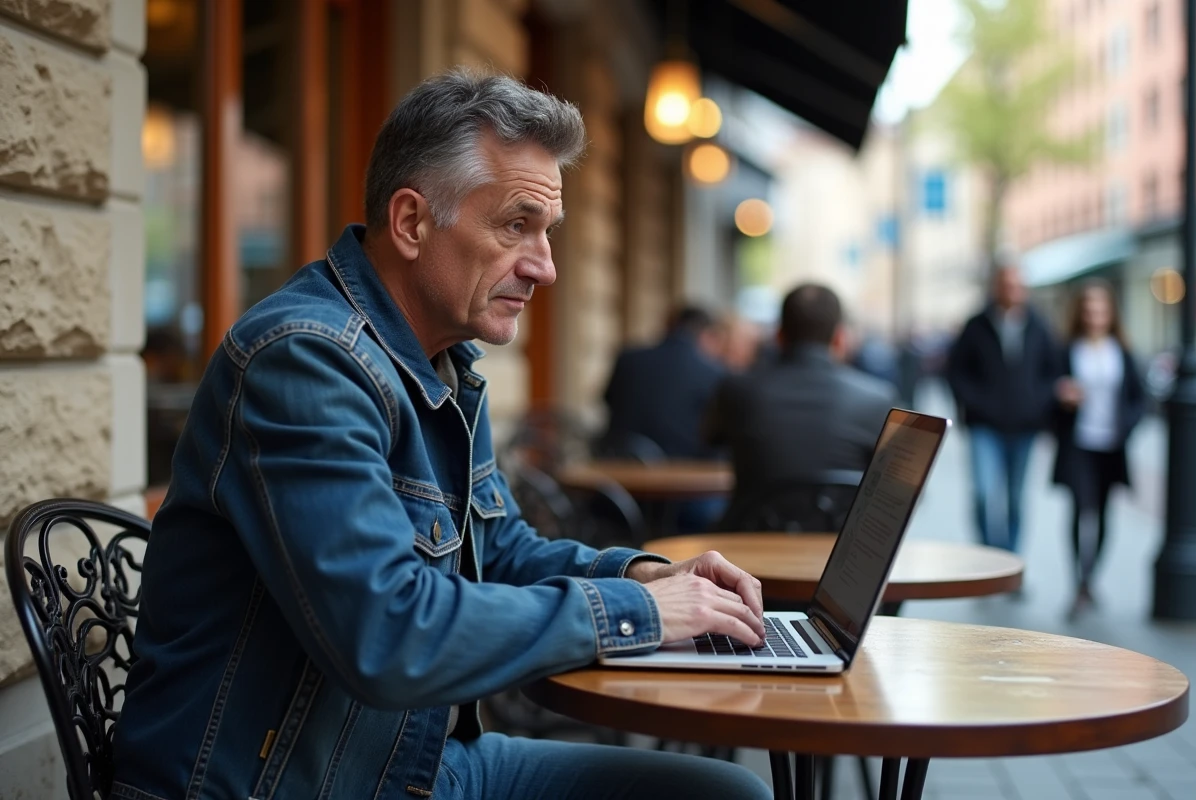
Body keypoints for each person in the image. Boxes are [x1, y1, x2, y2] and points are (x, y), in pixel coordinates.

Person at [111, 70, 771, 800]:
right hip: (287, 784)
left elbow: (504, 549)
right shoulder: (303, 358)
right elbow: (385, 634)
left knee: (727, 794)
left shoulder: (444, 366)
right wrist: (636, 615)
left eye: (547, 232)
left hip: (406, 766)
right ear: (412, 223)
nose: (545, 266)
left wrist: (640, 577)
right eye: (517, 225)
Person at [705, 284, 897, 530]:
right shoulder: (879, 399)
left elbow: (711, 439)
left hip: (748, 543)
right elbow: (897, 490)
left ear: (779, 335)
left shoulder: (736, 390)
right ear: (839, 337)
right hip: (842, 548)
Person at [946, 264, 1061, 554]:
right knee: (985, 494)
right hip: (984, 426)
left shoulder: (1039, 325)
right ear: (996, 288)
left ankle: (1010, 562)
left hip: (1024, 427)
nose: (1012, 291)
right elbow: (956, 372)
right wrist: (975, 402)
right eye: (1006, 285)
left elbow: (1052, 371)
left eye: (1017, 285)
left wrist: (1038, 402)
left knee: (1015, 498)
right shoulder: (976, 325)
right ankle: (987, 556)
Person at [1051, 279, 1145, 618]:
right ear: (1081, 312)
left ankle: (1090, 579)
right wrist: (1062, 396)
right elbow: (1051, 389)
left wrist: (1127, 426)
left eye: (1101, 309)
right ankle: (1079, 581)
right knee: (1080, 508)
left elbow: (1138, 397)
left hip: (1111, 445)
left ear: (1110, 313)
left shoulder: (1122, 351)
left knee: (1104, 512)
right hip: (1078, 443)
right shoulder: (1067, 350)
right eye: (1089, 309)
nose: (1095, 315)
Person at [602, 305, 727, 460]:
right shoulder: (715, 373)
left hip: (619, 463)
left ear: (668, 326)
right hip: (686, 471)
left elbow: (608, 400)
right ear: (706, 334)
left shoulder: (628, 359)